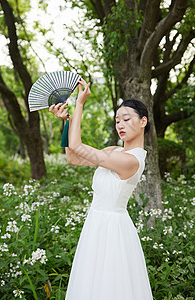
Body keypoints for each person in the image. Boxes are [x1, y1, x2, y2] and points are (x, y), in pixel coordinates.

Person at [49, 78, 153, 300]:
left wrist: (79, 104)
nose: (120, 125)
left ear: (143, 121)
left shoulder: (131, 161)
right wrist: (66, 121)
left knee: (111, 288)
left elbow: (77, 145)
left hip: (113, 231)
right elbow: (73, 157)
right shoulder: (114, 150)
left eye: (126, 119)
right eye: (117, 121)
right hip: (94, 226)